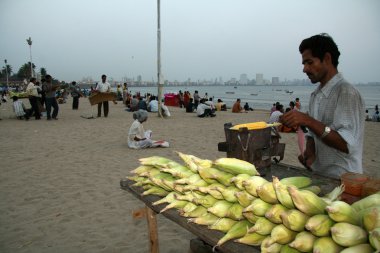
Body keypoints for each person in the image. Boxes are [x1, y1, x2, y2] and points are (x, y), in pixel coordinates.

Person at [280, 33, 365, 179]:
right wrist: (310, 151)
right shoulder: (316, 95)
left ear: (327, 59)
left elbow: (346, 143)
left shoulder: (346, 93)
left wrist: (307, 120)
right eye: (304, 64)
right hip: (319, 175)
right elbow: (313, 133)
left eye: (310, 62)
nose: (304, 69)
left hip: (343, 179)